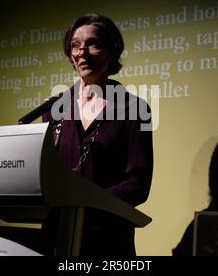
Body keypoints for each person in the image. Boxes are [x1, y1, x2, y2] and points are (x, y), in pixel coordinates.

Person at [41, 13, 153, 256]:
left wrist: (88, 202)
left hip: (108, 240)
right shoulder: (54, 109)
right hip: (57, 235)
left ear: (111, 51)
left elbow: (138, 183)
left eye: (93, 43)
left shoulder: (135, 109)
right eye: (75, 45)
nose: (82, 52)